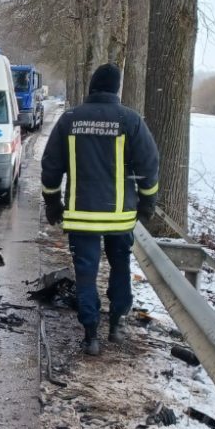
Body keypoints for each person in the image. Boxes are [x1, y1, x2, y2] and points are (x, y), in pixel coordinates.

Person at [41, 63, 159, 356]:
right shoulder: (130, 121)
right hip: (120, 218)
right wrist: (147, 205)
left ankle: (90, 335)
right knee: (120, 268)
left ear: (91, 87)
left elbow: (51, 165)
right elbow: (149, 165)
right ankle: (117, 324)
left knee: (86, 274)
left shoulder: (70, 119)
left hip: (82, 217)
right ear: (117, 89)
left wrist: (53, 202)